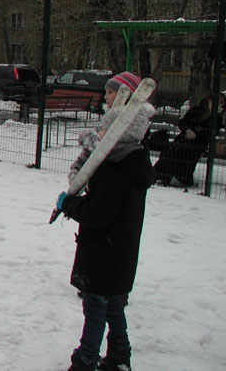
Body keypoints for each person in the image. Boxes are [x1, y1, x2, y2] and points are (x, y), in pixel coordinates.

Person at [53, 103, 155, 371]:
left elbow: (97, 214)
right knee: (112, 306)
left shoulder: (112, 169)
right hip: (121, 252)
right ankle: (120, 353)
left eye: (107, 129)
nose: (101, 133)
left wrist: (68, 205)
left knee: (96, 309)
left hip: (102, 254)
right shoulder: (134, 162)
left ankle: (86, 359)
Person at [67, 71, 141, 184]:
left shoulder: (131, 125)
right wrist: (77, 168)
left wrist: (86, 137)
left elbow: (105, 147)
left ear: (126, 94)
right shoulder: (109, 118)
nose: (106, 97)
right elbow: (90, 151)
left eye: (110, 92)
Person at [153, 93, 225, 187]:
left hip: (198, 145)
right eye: (214, 101)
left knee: (186, 153)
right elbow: (182, 122)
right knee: (170, 151)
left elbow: (209, 133)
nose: (216, 104)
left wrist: (195, 132)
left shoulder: (217, 118)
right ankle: (159, 174)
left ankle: (180, 178)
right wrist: (187, 130)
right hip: (183, 139)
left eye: (220, 102)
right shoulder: (196, 110)